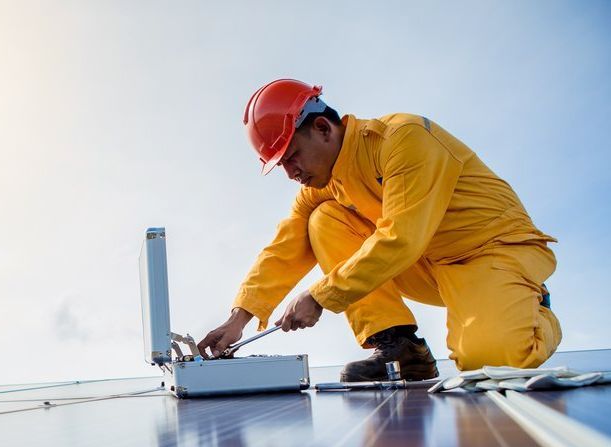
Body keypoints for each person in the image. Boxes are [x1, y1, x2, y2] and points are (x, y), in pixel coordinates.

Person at [197, 79, 562, 380]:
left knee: (490, 362)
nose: (291, 173)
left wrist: (320, 296)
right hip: (427, 265)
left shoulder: (404, 139)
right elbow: (282, 249)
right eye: (280, 166)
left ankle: (533, 306)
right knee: (320, 221)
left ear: (323, 128)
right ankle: (401, 347)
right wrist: (238, 318)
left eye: (292, 157)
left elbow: (402, 237)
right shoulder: (320, 186)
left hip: (492, 252)